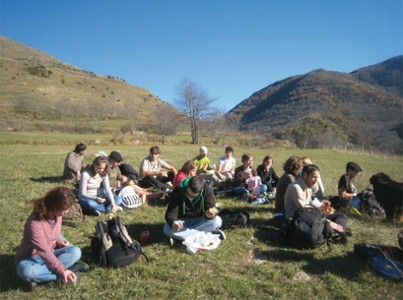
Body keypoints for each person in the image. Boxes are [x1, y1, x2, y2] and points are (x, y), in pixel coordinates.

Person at [15, 187, 89, 291]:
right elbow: (43, 251)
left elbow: (55, 232)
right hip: (30, 259)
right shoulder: (35, 222)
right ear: (54, 207)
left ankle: (40, 280)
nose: (67, 212)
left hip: (51, 252)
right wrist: (62, 270)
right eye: (65, 209)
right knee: (27, 272)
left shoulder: (57, 215)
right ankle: (68, 272)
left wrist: (59, 241)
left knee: (76, 251)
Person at [285, 164, 348, 232]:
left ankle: (336, 230)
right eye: (314, 177)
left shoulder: (308, 187)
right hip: (299, 220)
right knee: (321, 225)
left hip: (310, 216)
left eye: (317, 178)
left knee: (342, 216)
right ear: (305, 175)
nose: (316, 180)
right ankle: (335, 231)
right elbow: (304, 211)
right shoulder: (296, 187)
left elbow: (309, 205)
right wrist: (327, 221)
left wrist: (320, 205)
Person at [163, 176, 224, 243]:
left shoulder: (207, 190)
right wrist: (174, 222)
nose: (190, 197)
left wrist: (209, 215)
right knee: (167, 229)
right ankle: (206, 236)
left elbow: (210, 208)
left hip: (200, 220)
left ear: (200, 191)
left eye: (193, 196)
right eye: (188, 194)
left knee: (217, 221)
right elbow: (171, 212)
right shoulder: (178, 191)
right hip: (183, 222)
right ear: (187, 187)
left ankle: (184, 237)